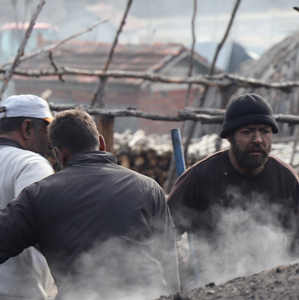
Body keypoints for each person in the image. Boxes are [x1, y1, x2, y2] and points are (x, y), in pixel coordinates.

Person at [0, 109, 179, 300]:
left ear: (60, 154)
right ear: (101, 143)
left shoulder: (38, 194)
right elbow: (168, 255)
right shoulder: (148, 187)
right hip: (148, 295)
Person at [168, 93, 299, 285]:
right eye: (247, 132)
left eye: (265, 131)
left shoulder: (285, 178)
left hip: (269, 285)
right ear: (229, 136)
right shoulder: (200, 177)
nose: (258, 139)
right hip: (210, 286)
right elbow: (162, 236)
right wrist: (184, 279)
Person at [0, 95, 56, 300]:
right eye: (47, 131)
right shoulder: (30, 163)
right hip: (16, 291)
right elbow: (39, 224)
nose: (50, 141)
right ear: (27, 128)